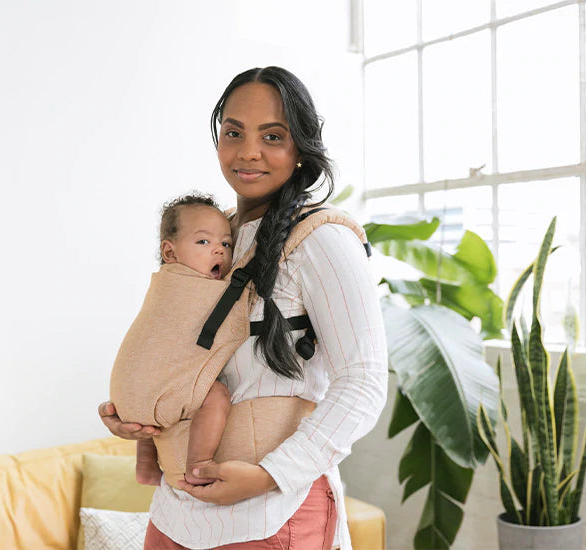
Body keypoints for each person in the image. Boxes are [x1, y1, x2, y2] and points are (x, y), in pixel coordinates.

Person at [98, 66, 388, 550]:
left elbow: (364, 381)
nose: (248, 151)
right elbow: (177, 348)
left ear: (302, 148)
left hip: (270, 515)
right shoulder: (210, 240)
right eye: (234, 132)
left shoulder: (324, 239)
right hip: (174, 514)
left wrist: (271, 475)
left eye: (272, 136)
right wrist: (134, 410)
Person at [132, 194, 234, 487]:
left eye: (226, 244)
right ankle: (199, 464)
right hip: (160, 387)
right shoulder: (190, 288)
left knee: (153, 418)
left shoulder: (163, 283)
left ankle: (145, 464)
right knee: (216, 395)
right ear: (170, 252)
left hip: (143, 386)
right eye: (203, 242)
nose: (218, 250)